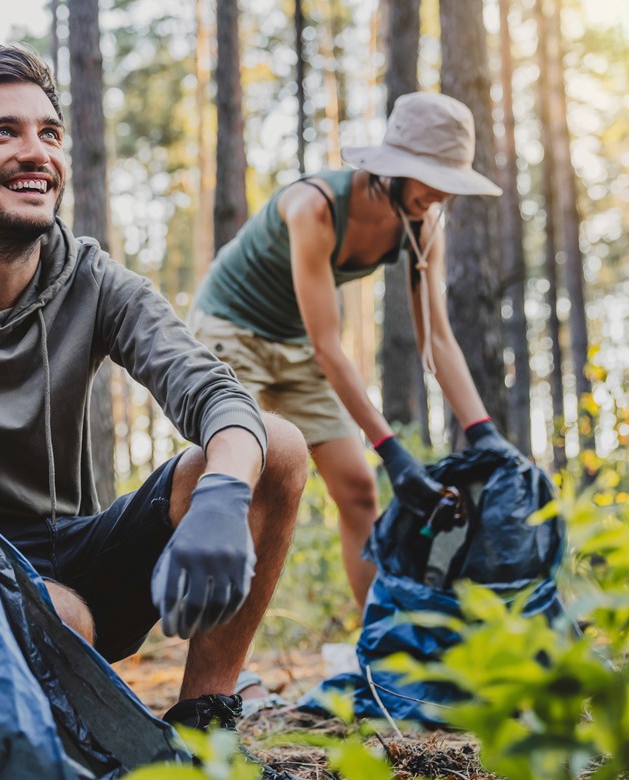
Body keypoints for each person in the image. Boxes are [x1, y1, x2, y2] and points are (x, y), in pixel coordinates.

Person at [0, 43, 307, 733]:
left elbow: (214, 395)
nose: (35, 152)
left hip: (77, 554)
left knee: (272, 446)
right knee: (59, 617)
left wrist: (220, 497)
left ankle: (206, 723)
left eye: (49, 133)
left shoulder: (93, 280)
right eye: (1, 132)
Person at [189, 91, 522, 608]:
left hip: (296, 345)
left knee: (359, 488)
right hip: (230, 331)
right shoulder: (314, 208)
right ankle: (222, 661)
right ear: (393, 166)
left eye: (448, 183)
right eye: (430, 177)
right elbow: (330, 346)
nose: (439, 195)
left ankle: (376, 646)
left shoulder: (421, 224)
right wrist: (392, 451)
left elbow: (437, 338)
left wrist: (484, 434)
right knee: (242, 480)